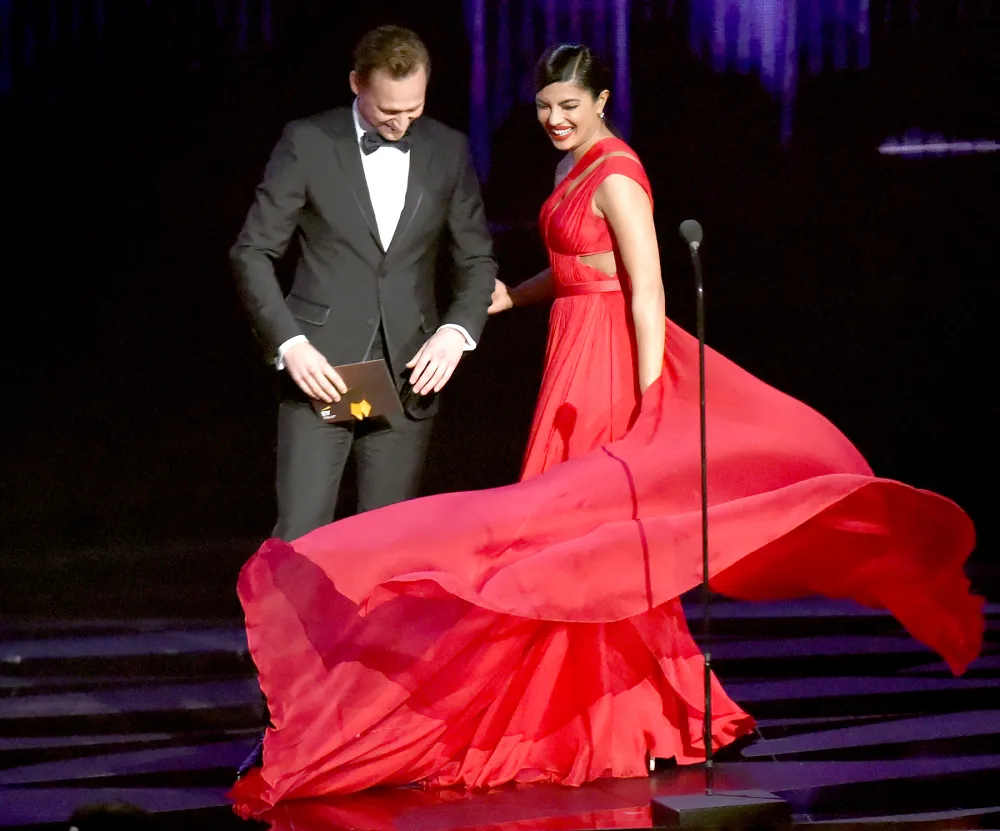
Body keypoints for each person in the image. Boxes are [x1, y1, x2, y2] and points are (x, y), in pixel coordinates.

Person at [227, 44, 982, 818]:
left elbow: (645, 282)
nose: (555, 120)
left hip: (611, 364)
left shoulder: (618, 171)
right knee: (580, 547)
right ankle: (672, 712)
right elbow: (580, 265)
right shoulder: (571, 166)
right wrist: (515, 300)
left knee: (591, 542)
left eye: (570, 108)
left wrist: (651, 396)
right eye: (545, 107)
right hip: (570, 355)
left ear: (603, 100)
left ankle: (654, 714)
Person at [230, 25, 496, 541]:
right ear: (357, 84)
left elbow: (478, 260)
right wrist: (291, 344)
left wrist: (456, 332)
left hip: (409, 371)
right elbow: (252, 250)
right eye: (387, 111)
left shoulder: (448, 149)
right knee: (302, 538)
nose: (400, 124)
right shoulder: (308, 141)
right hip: (325, 370)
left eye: (412, 110)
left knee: (388, 542)